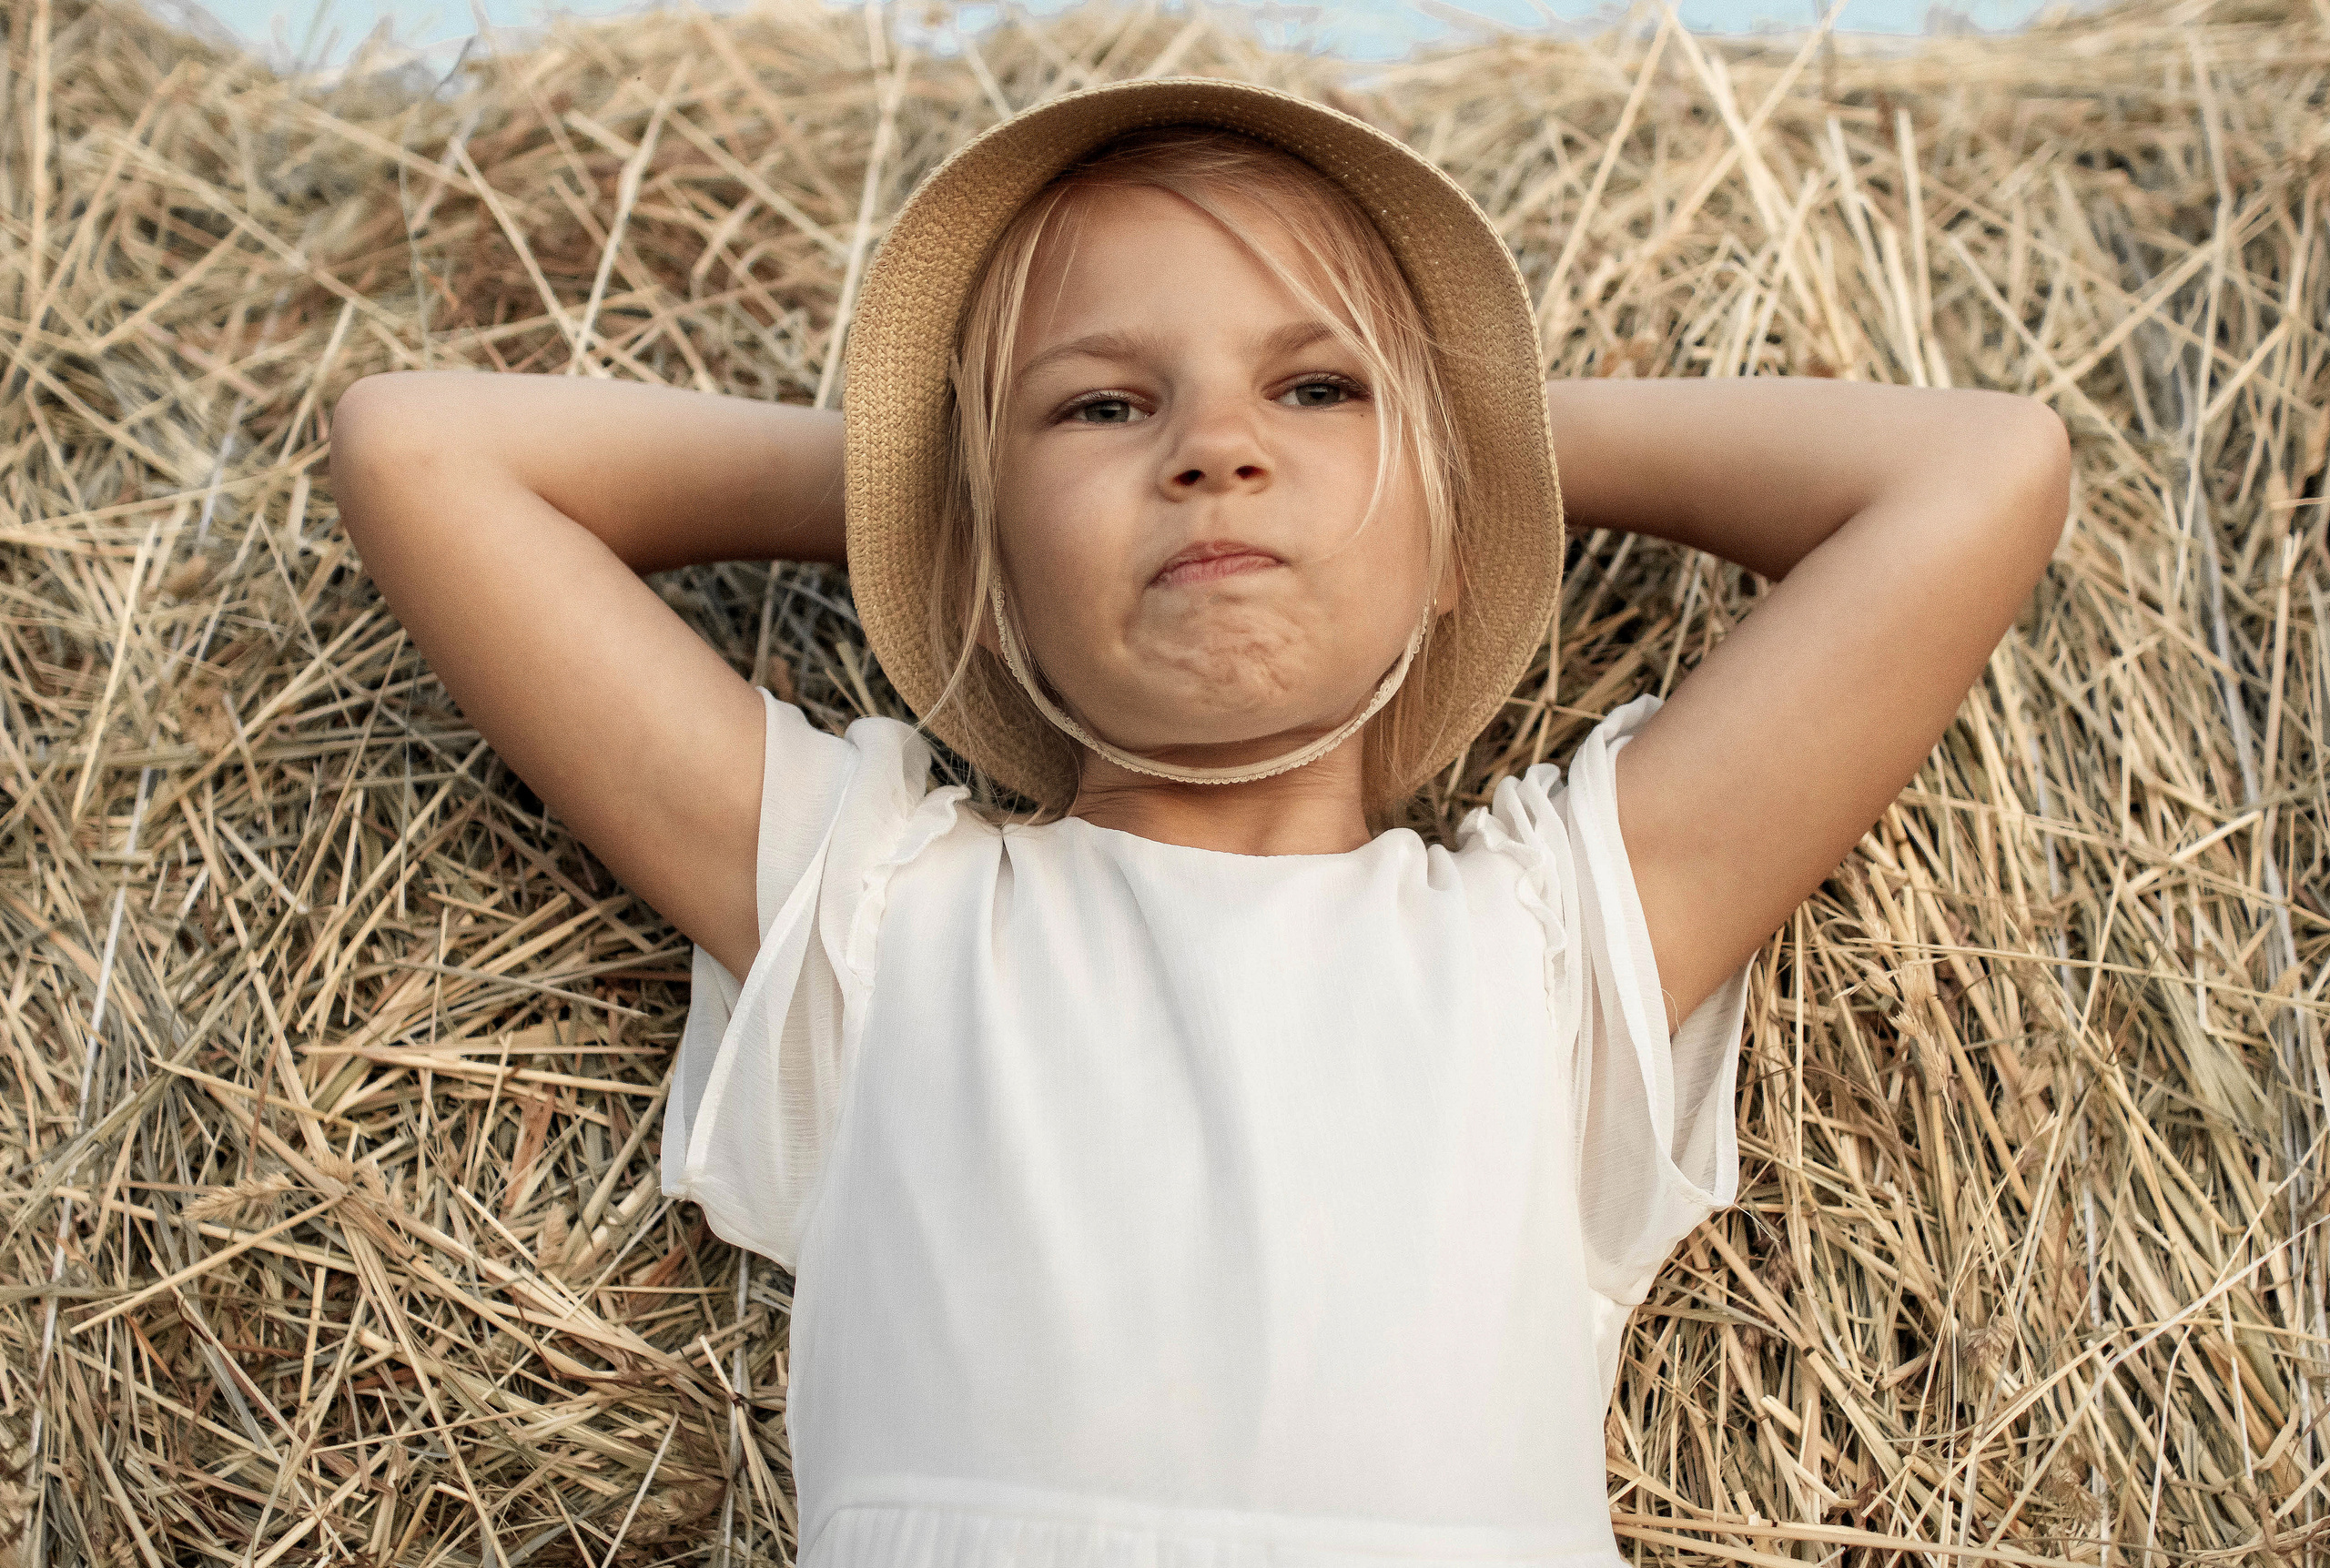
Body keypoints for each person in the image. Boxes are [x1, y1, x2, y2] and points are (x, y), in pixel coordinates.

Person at [331, 78, 2067, 1568]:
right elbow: (417, 451)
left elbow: (1976, 475)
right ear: (981, 558)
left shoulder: (1550, 946)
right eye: (1102, 405)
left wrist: (1481, 454)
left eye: (1318, 392)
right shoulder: (875, 917)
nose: (1216, 449)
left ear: (1456, 527)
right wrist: (924, 496)